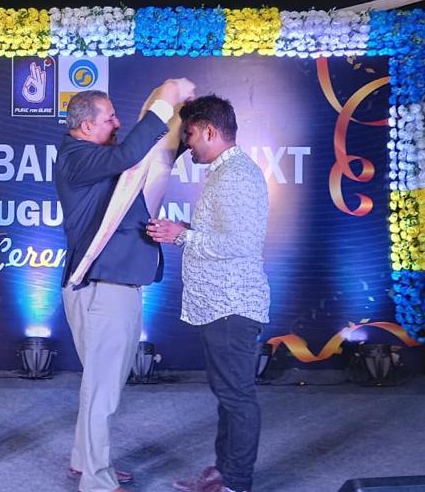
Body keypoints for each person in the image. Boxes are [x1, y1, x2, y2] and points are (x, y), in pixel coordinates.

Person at [55, 81, 194, 492]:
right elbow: (130, 153)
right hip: (104, 287)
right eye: (110, 118)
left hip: (112, 286)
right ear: (85, 126)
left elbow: (147, 159)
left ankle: (85, 462)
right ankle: (97, 480)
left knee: (101, 384)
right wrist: (166, 98)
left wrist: (181, 123)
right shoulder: (78, 156)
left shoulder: (99, 159)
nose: (118, 123)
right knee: (103, 389)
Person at [146, 96, 271, 492]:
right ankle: (224, 472)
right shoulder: (225, 172)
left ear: (209, 131)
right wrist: (185, 229)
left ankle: (236, 482)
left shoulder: (235, 175)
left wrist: (181, 235)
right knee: (227, 394)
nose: (186, 144)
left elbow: (239, 243)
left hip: (232, 304)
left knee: (237, 396)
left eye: (189, 135)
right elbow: (223, 233)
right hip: (221, 304)